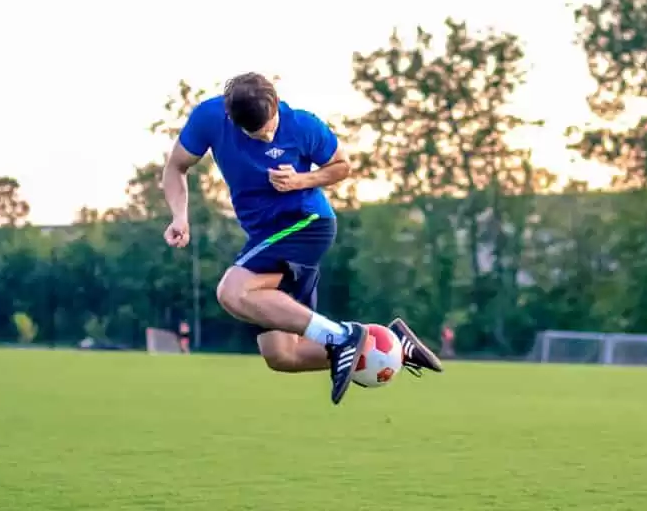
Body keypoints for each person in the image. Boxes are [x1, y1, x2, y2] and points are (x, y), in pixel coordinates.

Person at [161, 72, 443, 405]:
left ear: (277, 104)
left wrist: (302, 180)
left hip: (306, 223)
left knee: (231, 292)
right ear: (229, 117)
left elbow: (341, 166)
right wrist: (180, 216)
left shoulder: (303, 126)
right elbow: (176, 167)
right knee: (282, 356)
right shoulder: (208, 118)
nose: (265, 138)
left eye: (269, 128)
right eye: (254, 134)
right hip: (265, 234)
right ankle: (393, 346)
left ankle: (342, 337)